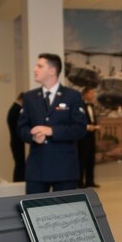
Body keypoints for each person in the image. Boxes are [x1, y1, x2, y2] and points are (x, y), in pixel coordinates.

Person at [17, 53, 87, 194]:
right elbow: (21, 129)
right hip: (36, 169)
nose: (34, 69)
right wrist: (32, 137)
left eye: (39, 66)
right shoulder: (29, 97)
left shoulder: (73, 96)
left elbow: (80, 129)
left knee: (65, 214)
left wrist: (52, 131)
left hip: (65, 169)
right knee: (34, 212)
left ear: (52, 71)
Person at [78, 87, 100, 188]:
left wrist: (95, 126)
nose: (93, 95)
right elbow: (77, 121)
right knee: (82, 159)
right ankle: (79, 182)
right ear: (85, 94)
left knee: (91, 159)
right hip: (82, 136)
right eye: (91, 93)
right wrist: (87, 127)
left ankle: (90, 181)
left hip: (92, 136)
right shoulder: (79, 106)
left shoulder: (92, 106)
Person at [6, 92, 25, 182]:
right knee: (20, 164)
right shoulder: (17, 109)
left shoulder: (13, 108)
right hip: (17, 141)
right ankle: (18, 182)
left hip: (14, 140)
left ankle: (18, 181)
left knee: (19, 163)